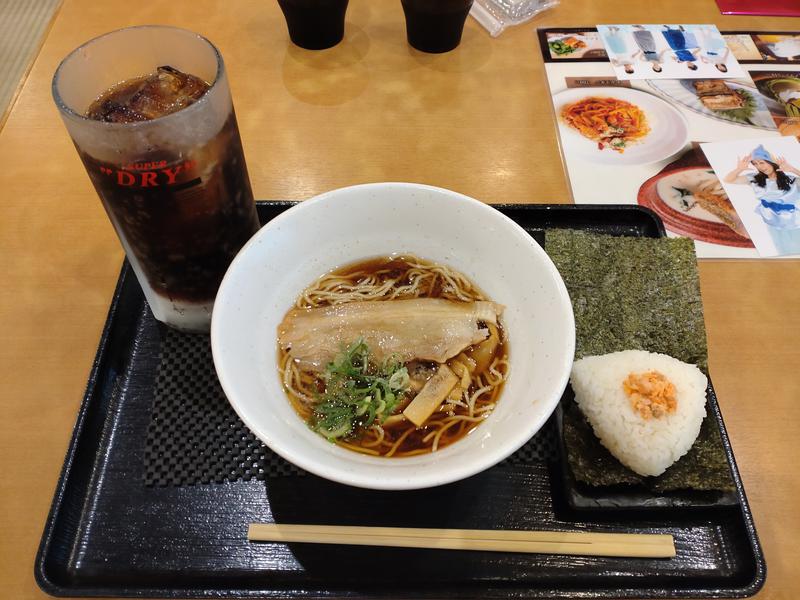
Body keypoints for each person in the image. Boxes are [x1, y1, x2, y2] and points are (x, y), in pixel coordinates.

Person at [724, 145, 800, 255]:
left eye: (762, 162)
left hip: (794, 221)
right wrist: (739, 169)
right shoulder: (756, 179)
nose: (759, 166)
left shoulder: (790, 180)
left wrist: (792, 169)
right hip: (770, 220)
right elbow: (728, 180)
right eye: (755, 164)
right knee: (782, 250)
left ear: (771, 162)